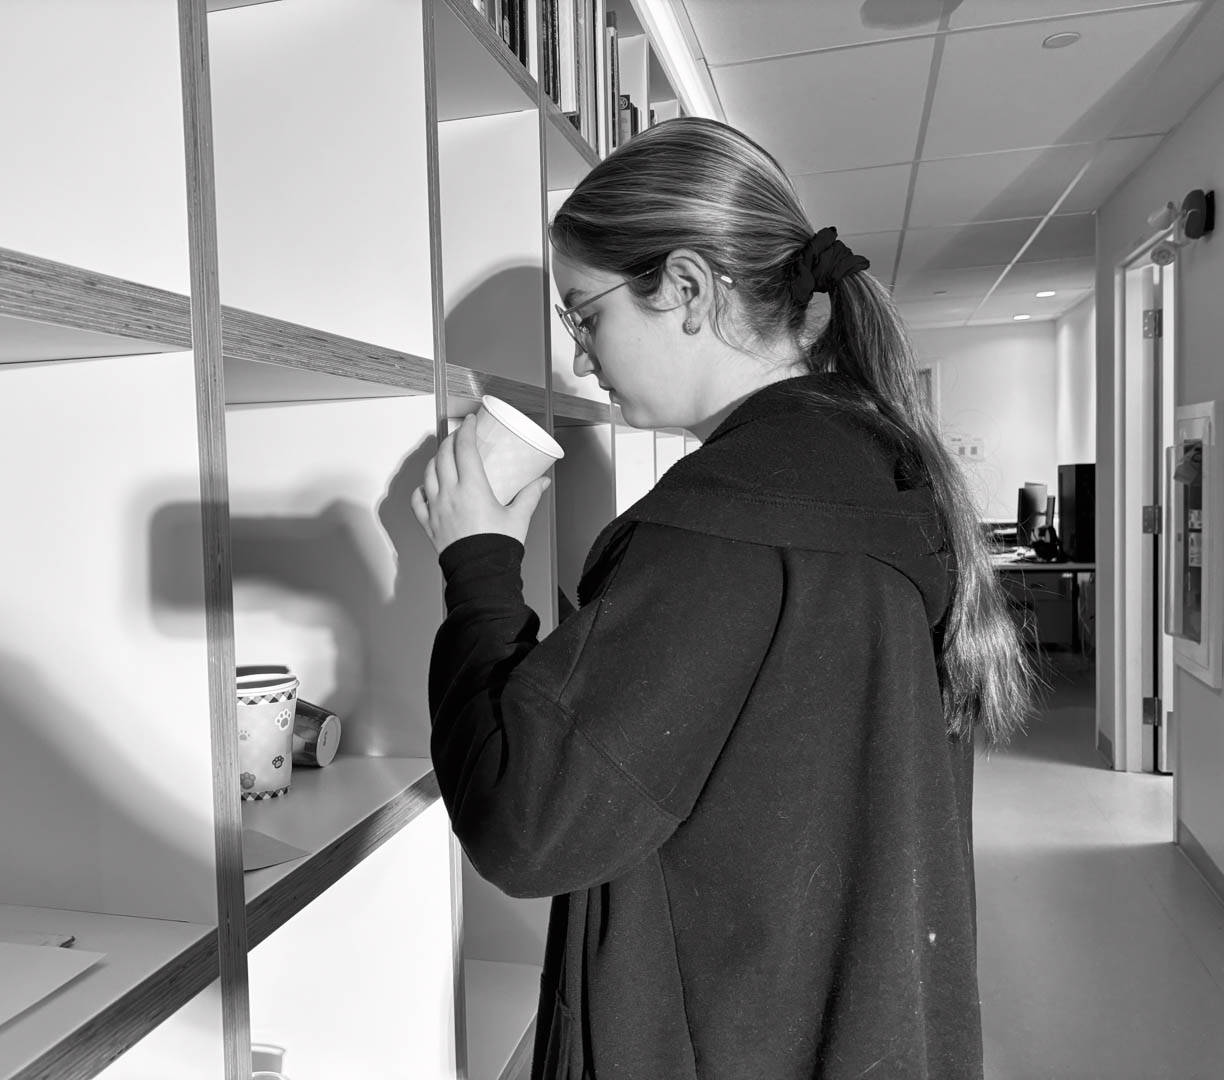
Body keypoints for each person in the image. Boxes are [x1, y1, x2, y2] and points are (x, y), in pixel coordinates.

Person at [410, 116, 1035, 1080]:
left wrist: (478, 562)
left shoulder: (719, 529)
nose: (579, 359)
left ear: (689, 289)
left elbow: (524, 823)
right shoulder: (879, 468)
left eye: (586, 317)